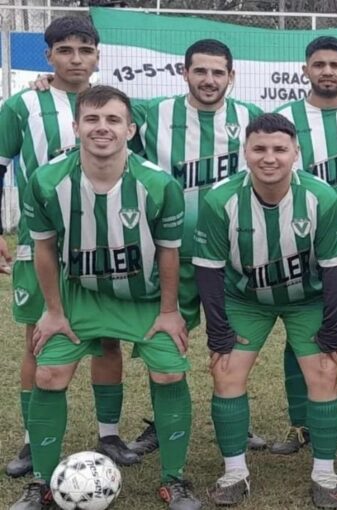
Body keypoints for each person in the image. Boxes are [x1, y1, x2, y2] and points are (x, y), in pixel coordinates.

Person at [11, 85, 200, 510]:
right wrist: (53, 311)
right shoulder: (47, 181)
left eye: (113, 120)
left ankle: (175, 481)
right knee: (49, 375)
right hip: (80, 294)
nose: (102, 128)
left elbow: (170, 252)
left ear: (130, 129)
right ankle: (40, 484)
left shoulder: (158, 183)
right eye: (92, 119)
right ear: (76, 127)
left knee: (170, 373)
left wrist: (169, 312)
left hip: (143, 296)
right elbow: (44, 248)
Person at [0, 16, 135, 479]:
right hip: (40, 245)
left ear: (98, 55)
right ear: (48, 56)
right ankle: (30, 440)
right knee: (37, 341)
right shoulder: (23, 105)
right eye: (65, 50)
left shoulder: (115, 104)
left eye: (85, 50)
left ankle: (110, 433)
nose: (75, 58)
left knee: (107, 340)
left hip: (101, 244)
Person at [193, 113, 337, 508]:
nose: (269, 157)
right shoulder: (219, 199)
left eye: (279, 149)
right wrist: (218, 332)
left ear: (295, 152)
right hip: (246, 300)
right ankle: (234, 472)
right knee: (225, 371)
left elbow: (335, 270)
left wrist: (333, 329)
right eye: (259, 148)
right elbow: (208, 272)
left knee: (326, 372)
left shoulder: (322, 197)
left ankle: (325, 473)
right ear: (244, 151)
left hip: (306, 299)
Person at [125, 38, 266, 455]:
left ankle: (236, 422)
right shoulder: (153, 113)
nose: (209, 79)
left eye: (218, 72)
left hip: (234, 256)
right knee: (168, 341)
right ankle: (161, 421)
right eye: (200, 71)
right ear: (183, 73)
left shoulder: (250, 117)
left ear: (231, 76)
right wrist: (52, 84)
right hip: (172, 253)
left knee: (237, 341)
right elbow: (95, 108)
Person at [271, 35, 337, 455]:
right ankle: (302, 424)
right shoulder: (283, 118)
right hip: (297, 244)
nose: (327, 71)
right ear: (305, 70)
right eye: (319, 64)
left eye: (335, 64)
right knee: (300, 333)